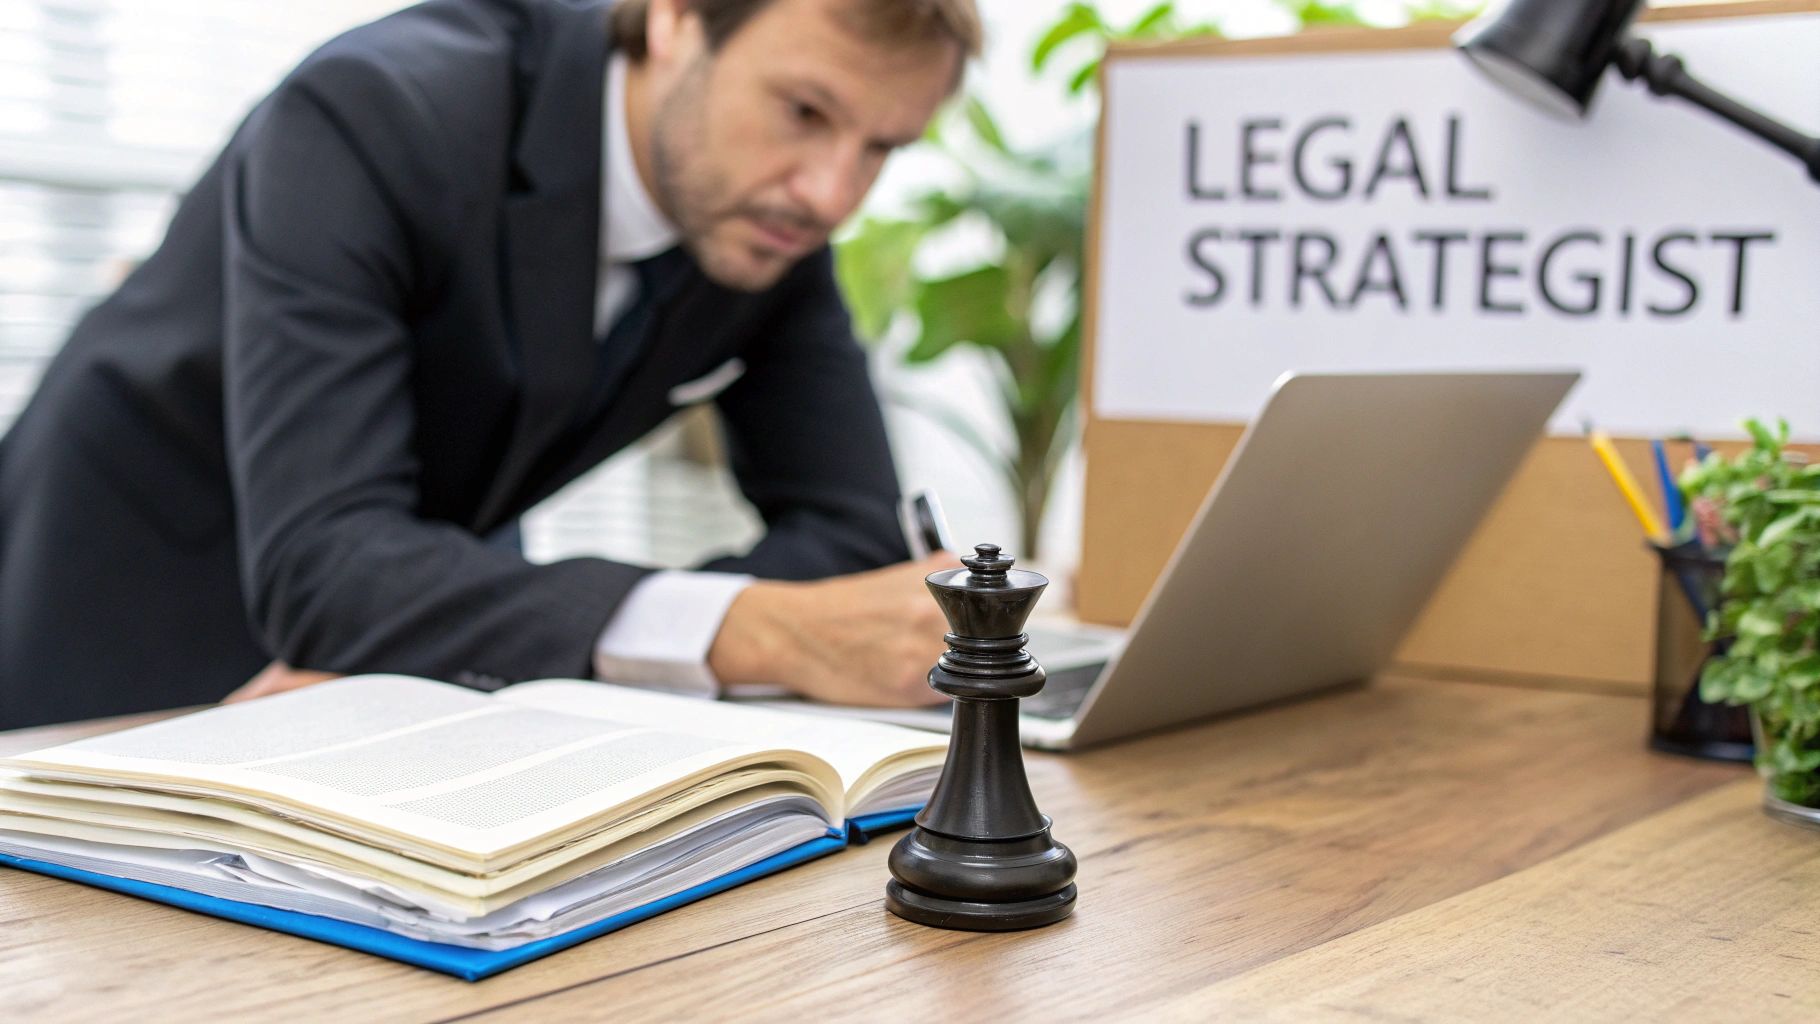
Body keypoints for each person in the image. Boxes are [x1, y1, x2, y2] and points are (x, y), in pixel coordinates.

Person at [0, 0, 981, 729]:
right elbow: (325, 566)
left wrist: (457, 634)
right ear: (677, 18)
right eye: (803, 111)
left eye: (880, 149)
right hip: (136, 566)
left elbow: (855, 540)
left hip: (419, 600)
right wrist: (747, 630)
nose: (830, 193)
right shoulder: (375, 111)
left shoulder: (768, 225)